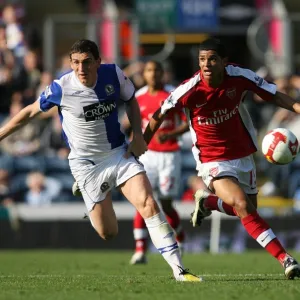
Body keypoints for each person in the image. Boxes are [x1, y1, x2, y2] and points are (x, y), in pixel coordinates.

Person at [0, 39, 200, 282]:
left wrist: (137, 135)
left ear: (98, 62)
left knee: (148, 203)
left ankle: (180, 271)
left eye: (86, 63)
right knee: (109, 233)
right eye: (75, 63)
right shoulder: (61, 87)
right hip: (86, 165)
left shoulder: (113, 74)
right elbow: (30, 112)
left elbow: (131, 101)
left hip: (118, 154)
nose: (81, 69)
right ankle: (88, 193)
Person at [143, 38, 300, 279]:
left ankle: (207, 203)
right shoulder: (189, 89)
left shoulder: (239, 77)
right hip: (211, 158)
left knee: (249, 210)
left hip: (242, 153)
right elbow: (158, 114)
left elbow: (274, 96)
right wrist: (140, 144)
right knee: (241, 205)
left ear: (225, 62)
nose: (206, 64)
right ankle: (285, 259)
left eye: (212, 59)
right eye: (202, 59)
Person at [122, 60, 188, 264]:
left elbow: (187, 123)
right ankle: (140, 250)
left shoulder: (172, 95)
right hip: (147, 156)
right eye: (149, 70)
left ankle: (180, 238)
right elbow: (133, 125)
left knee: (166, 204)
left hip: (169, 156)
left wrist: (170, 135)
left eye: (156, 70)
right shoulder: (138, 96)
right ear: (145, 74)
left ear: (162, 73)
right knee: (142, 201)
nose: (152, 74)